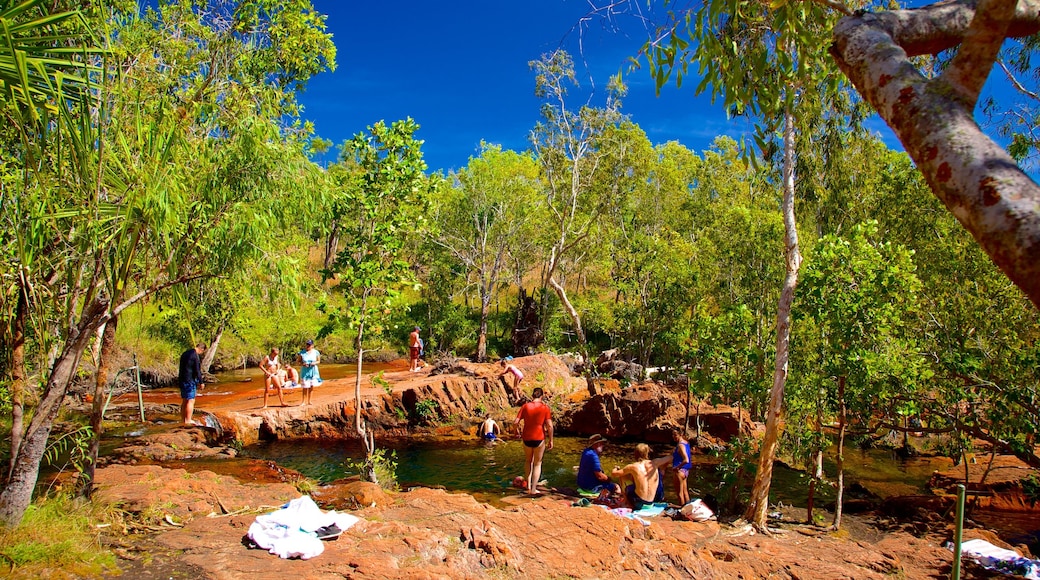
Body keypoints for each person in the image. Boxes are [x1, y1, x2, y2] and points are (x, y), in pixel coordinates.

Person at [514, 387, 553, 495]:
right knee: (537, 463)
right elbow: (549, 425)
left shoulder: (525, 406)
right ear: (542, 396)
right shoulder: (545, 408)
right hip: (539, 438)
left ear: (532, 396)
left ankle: (528, 486)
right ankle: (533, 489)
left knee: (528, 461)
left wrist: (516, 432)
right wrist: (551, 440)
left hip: (526, 437)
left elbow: (515, 422)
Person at [611, 443, 669, 510]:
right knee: (659, 471)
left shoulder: (633, 467)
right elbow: (670, 458)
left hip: (639, 503)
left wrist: (615, 468)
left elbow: (614, 474)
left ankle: (627, 503)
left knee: (622, 476)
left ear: (635, 453)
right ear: (647, 453)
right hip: (651, 502)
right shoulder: (655, 463)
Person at [178, 343, 206, 426]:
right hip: (189, 380)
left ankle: (184, 419)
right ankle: (188, 420)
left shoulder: (185, 353)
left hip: (182, 379)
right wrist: (201, 382)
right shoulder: (195, 356)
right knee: (191, 400)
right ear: (202, 349)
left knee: (185, 400)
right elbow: (197, 370)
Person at [671, 429, 693, 506]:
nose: (673, 437)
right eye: (672, 435)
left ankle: (682, 511)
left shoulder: (680, 445)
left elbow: (686, 460)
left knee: (680, 493)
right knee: (685, 492)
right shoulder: (686, 443)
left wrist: (677, 467)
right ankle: (688, 510)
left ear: (680, 434)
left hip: (679, 471)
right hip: (686, 471)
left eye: (675, 435)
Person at [298, 339, 322, 405]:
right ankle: (303, 401)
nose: (308, 346)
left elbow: (318, 361)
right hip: (305, 371)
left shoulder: (316, 352)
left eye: (309, 344)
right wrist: (303, 364)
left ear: (312, 345)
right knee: (305, 386)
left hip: (313, 370)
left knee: (311, 386)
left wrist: (313, 363)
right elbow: (298, 362)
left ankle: (309, 401)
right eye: (307, 344)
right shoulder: (302, 352)